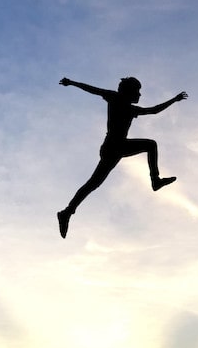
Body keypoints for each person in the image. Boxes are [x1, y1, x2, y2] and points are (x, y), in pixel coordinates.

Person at [56, 76, 187, 238]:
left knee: (93, 183)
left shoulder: (131, 109)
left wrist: (174, 100)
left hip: (116, 148)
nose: (139, 95)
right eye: (138, 91)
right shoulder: (115, 98)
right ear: (129, 91)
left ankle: (67, 212)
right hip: (113, 147)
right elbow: (92, 89)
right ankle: (155, 180)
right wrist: (72, 83)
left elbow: (153, 110)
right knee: (150, 145)